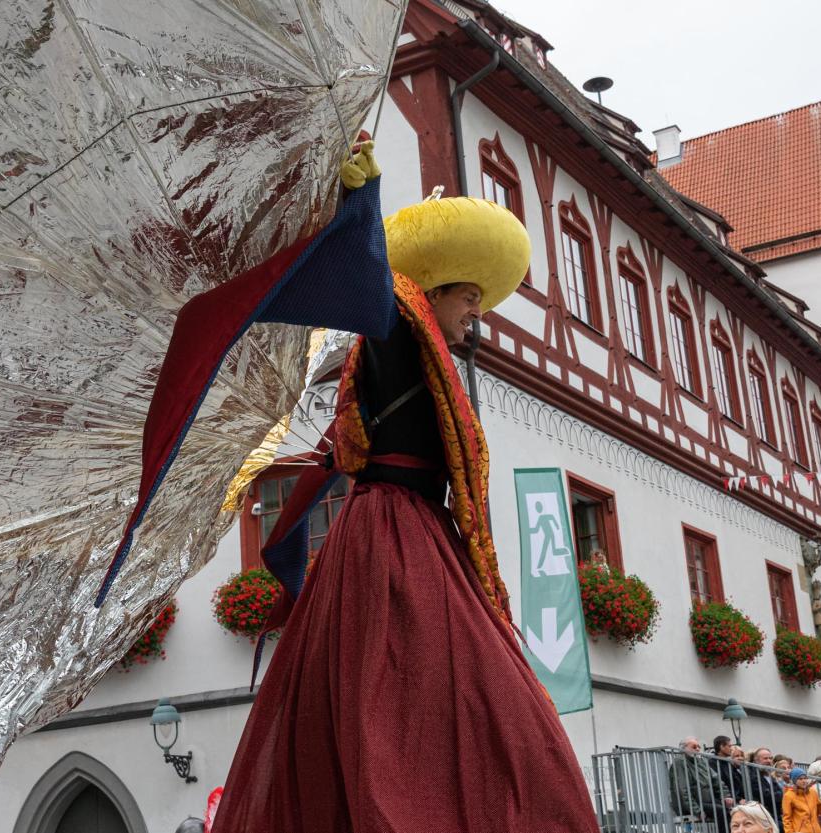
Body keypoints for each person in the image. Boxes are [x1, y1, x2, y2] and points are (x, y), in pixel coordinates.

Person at [209, 147, 598, 832]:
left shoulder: (431, 349)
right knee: (405, 700)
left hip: (422, 531)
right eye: (467, 296)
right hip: (388, 534)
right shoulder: (395, 328)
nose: (476, 310)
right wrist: (368, 196)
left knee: (496, 705)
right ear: (435, 290)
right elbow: (374, 282)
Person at [671, 736, 732, 833]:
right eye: (694, 747)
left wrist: (725, 796)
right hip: (693, 804)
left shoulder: (701, 761)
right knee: (721, 812)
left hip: (707, 801)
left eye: (699, 747)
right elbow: (682, 790)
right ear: (683, 749)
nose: (698, 749)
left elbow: (716, 780)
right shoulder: (680, 762)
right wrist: (697, 810)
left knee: (734, 810)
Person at [784, 768, 821, 833]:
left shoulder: (812, 792)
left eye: (805, 778)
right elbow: (787, 818)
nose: (804, 781)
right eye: (800, 779)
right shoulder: (788, 795)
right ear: (794, 781)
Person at [749, 748, 786, 831]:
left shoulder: (770, 776)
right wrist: (781, 794)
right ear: (756, 761)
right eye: (765, 758)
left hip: (776, 814)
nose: (769, 761)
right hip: (764, 814)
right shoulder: (753, 776)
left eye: (770, 758)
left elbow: (779, 793)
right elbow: (766, 796)